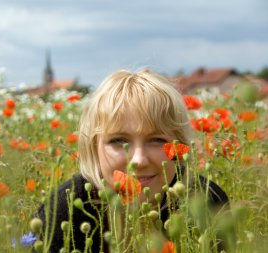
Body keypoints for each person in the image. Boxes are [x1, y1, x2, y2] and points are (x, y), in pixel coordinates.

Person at [38, 69, 229, 253]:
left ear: (180, 147)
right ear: (93, 147)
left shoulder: (208, 202)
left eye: (157, 140)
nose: (138, 160)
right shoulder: (63, 212)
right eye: (118, 141)